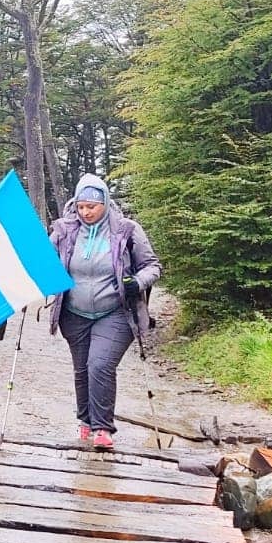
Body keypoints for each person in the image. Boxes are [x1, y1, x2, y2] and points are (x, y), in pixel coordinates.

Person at [48, 174, 161, 450]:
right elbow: (46, 262)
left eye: (92, 207)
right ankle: (85, 422)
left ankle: (102, 428)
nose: (85, 212)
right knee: (82, 369)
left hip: (116, 310)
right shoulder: (64, 230)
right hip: (74, 312)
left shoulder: (127, 230)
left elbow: (152, 266)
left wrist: (137, 282)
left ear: (106, 203)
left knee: (99, 365)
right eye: (81, 207)